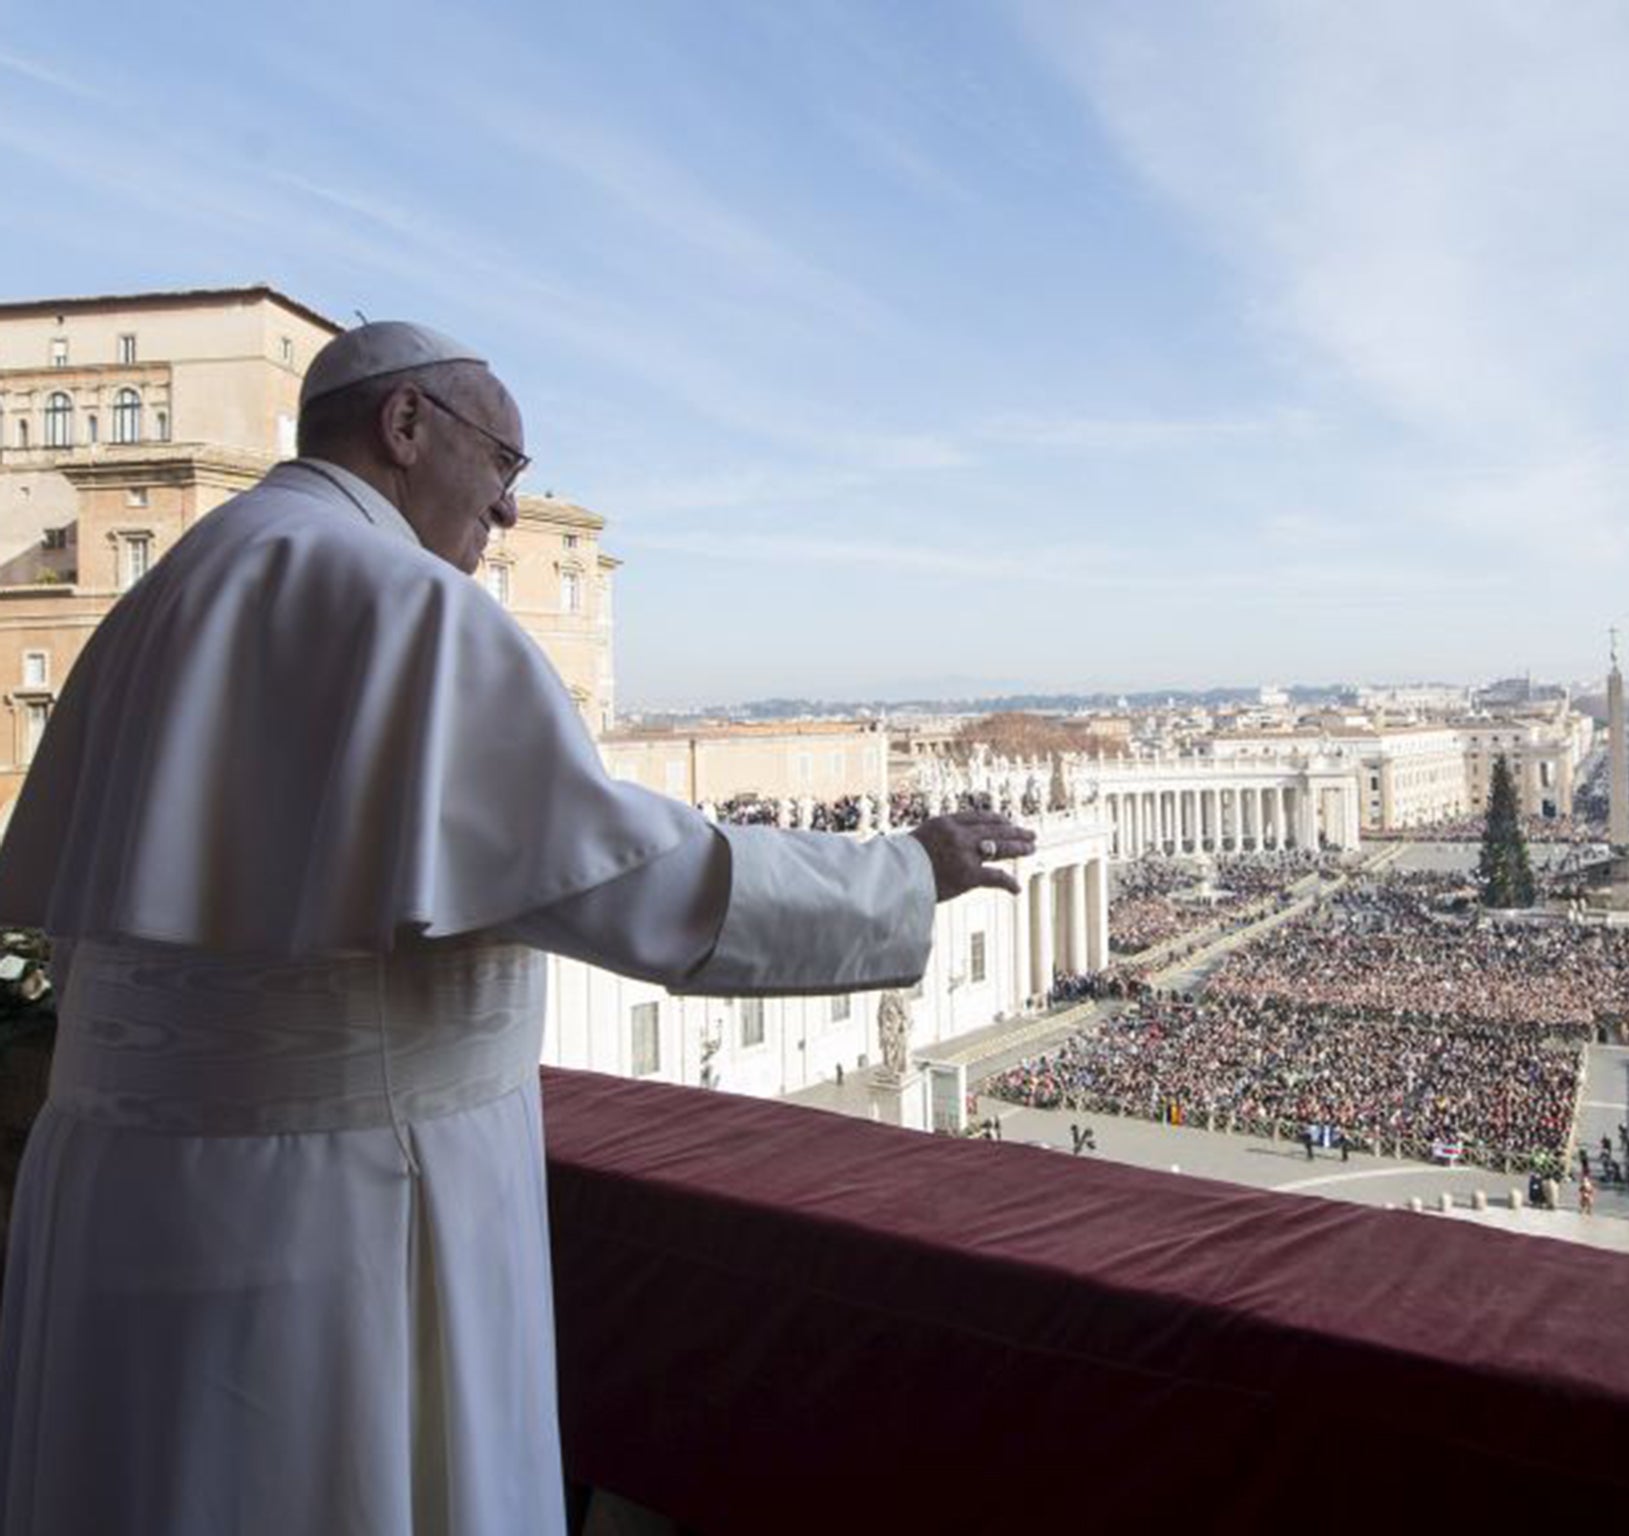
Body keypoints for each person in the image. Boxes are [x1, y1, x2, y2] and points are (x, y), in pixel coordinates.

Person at [0, 322, 1033, 1536]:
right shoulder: (398, 601)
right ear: (404, 426)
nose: (503, 513)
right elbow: (619, 878)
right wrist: (901, 873)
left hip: (124, 1180)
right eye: (502, 466)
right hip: (333, 1198)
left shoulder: (170, 589)